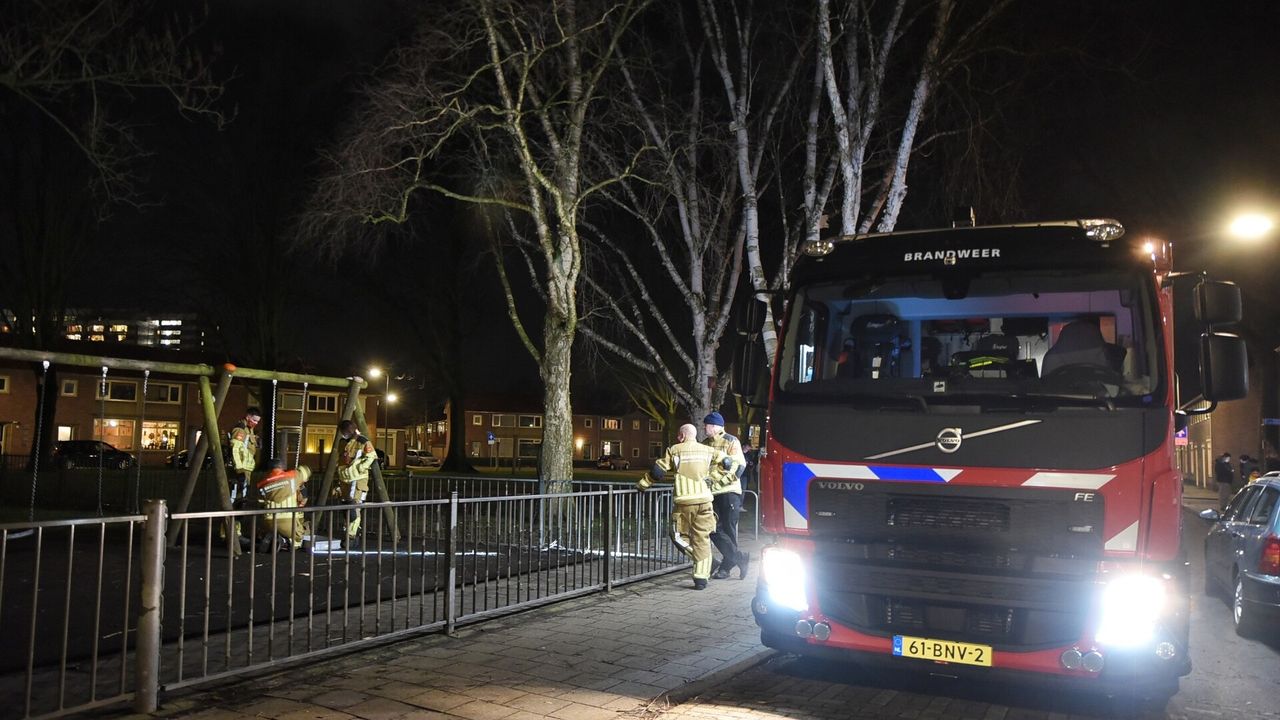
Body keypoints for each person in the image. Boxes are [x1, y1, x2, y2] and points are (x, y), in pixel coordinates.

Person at [637, 423, 738, 589]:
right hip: (705, 501)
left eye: (679, 435)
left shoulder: (674, 450)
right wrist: (713, 478)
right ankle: (701, 579)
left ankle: (702, 560)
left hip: (685, 502)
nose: (678, 438)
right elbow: (727, 462)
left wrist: (642, 484)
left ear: (682, 436)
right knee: (702, 538)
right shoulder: (707, 450)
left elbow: (658, 472)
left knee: (677, 535)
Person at [702, 411, 749, 580]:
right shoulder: (704, 443)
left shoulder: (731, 441)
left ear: (715, 426)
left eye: (707, 425)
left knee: (728, 529)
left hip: (729, 492)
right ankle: (739, 558)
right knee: (712, 528)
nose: (704, 428)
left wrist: (718, 484)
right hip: (712, 493)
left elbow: (739, 467)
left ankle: (726, 567)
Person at [334, 419, 378, 550]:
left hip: (357, 479)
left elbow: (371, 456)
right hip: (345, 479)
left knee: (353, 508)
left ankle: (351, 536)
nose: (343, 434)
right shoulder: (343, 442)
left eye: (344, 431)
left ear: (350, 430)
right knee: (345, 508)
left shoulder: (363, 441)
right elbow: (341, 459)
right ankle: (349, 533)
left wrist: (361, 468)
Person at [255, 458, 312, 552]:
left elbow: (260, 501)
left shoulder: (261, 483)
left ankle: (272, 538)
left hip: (268, 520)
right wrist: (298, 473)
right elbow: (306, 471)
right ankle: (286, 542)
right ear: (282, 467)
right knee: (298, 538)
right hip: (289, 520)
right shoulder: (292, 476)